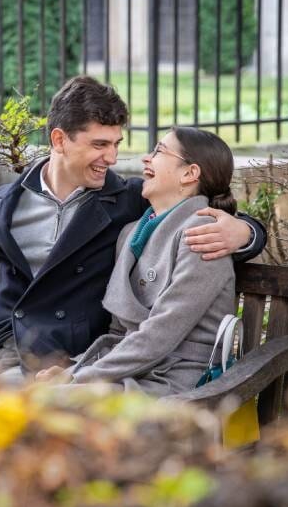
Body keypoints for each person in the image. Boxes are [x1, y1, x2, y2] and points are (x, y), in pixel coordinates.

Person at [0, 76, 265, 384]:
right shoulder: (0, 202)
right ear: (60, 140)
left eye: (116, 144)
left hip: (55, 357)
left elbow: (199, 207)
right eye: (99, 145)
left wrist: (245, 233)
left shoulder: (129, 200)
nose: (113, 158)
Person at [36, 128, 238, 395]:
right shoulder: (131, 233)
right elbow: (119, 333)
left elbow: (162, 333)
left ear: (189, 173)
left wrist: (78, 378)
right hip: (130, 372)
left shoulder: (204, 234)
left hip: (180, 383)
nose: (146, 158)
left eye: (159, 151)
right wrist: (74, 369)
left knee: (40, 404)